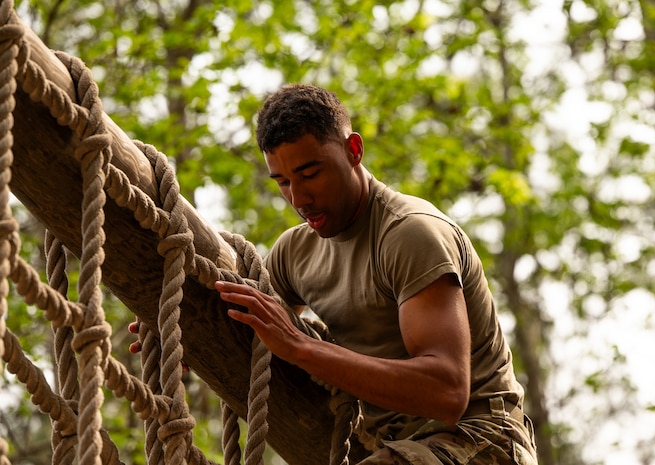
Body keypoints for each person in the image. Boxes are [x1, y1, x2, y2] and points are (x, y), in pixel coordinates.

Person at [131, 83, 538, 464]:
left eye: (310, 174)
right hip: (388, 447)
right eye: (283, 182)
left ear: (353, 150)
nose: (299, 197)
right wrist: (185, 334)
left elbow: (447, 392)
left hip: (484, 441)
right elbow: (248, 317)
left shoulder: (411, 234)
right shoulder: (296, 250)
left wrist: (302, 348)